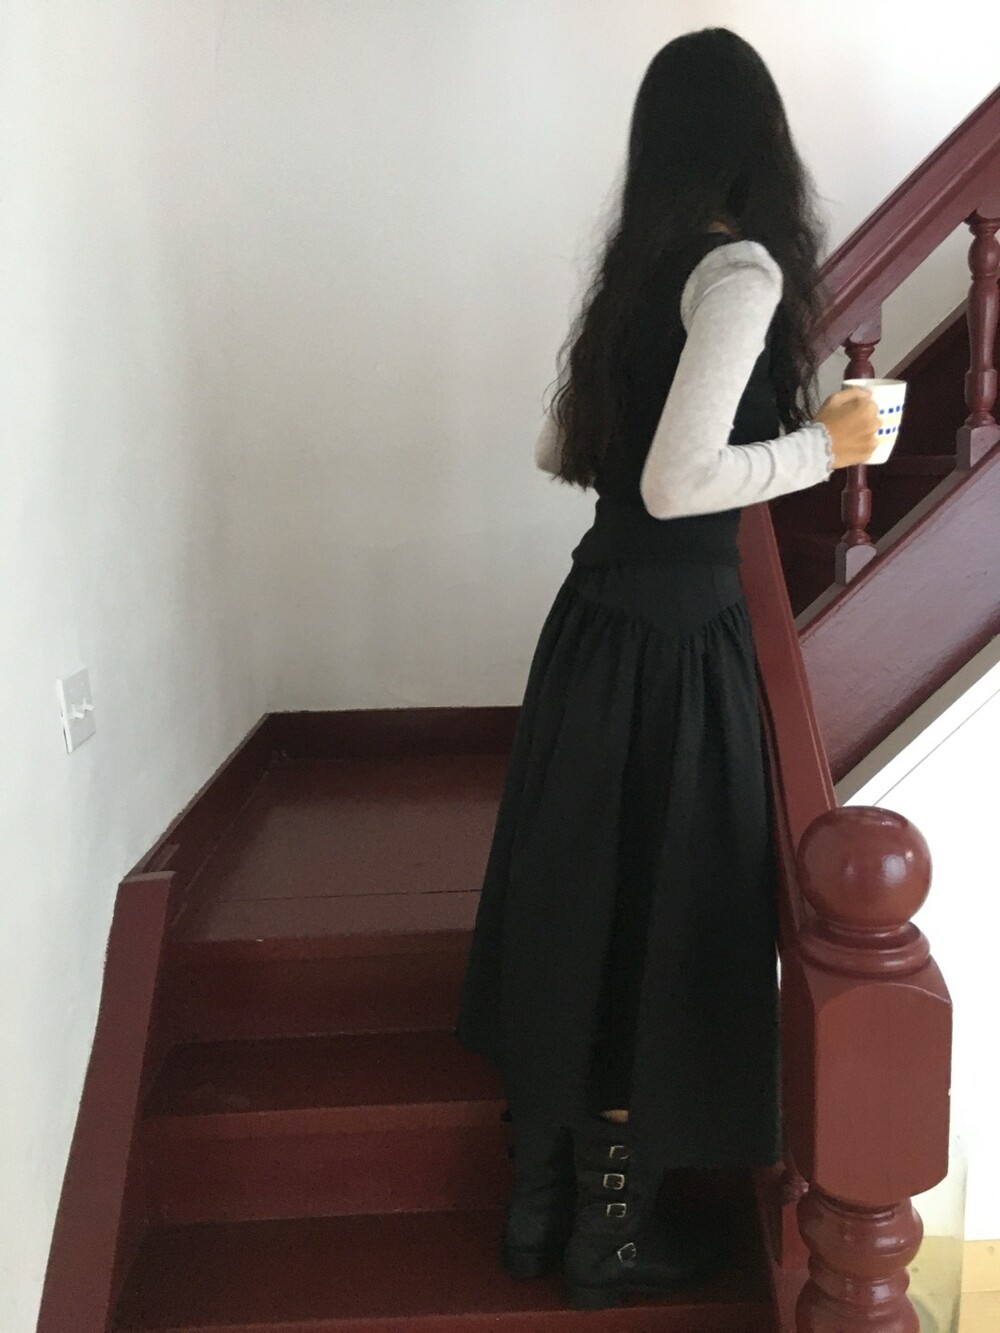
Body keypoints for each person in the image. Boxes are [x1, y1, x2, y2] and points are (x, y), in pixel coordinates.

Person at [454, 26, 879, 1313]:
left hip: (593, 627)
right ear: (758, 140)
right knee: (662, 921)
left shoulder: (637, 270)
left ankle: (537, 1208)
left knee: (578, 906)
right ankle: (610, 1233)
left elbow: (561, 450)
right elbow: (678, 481)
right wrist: (828, 447)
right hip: (680, 648)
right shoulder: (738, 271)